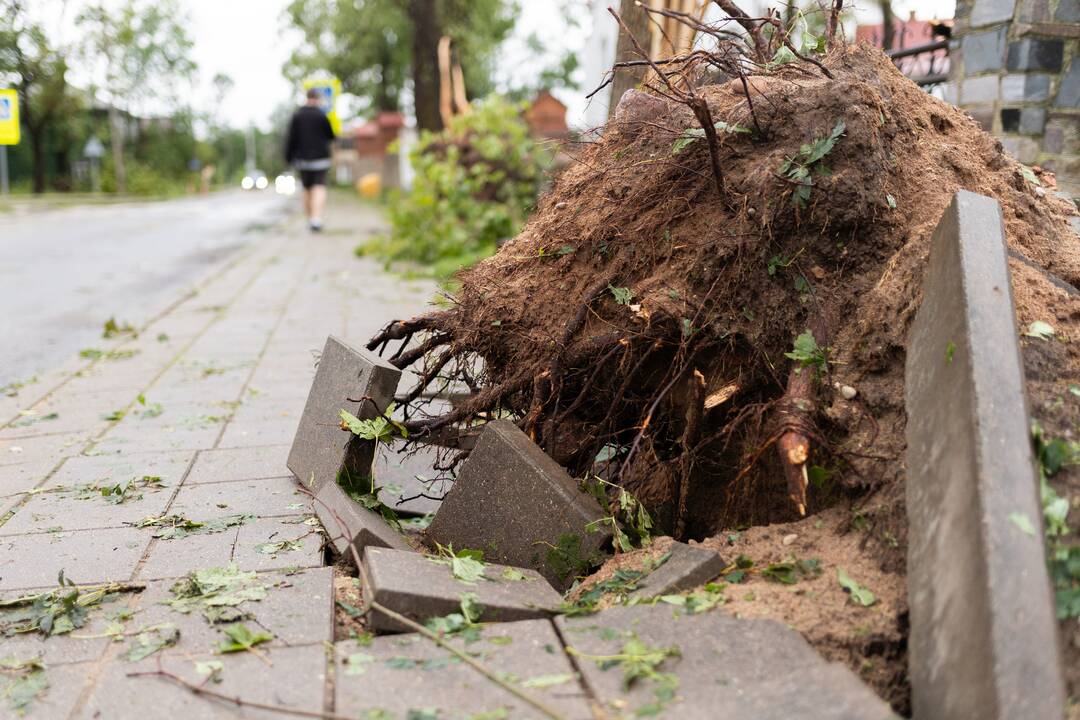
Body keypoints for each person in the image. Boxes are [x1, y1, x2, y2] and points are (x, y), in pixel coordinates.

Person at [285, 88, 336, 231]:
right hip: (321, 158)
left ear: (306, 98)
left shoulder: (297, 116)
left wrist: (288, 157)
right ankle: (316, 219)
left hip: (302, 160)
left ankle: (309, 218)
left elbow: (291, 139)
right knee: (319, 187)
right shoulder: (322, 115)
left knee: (306, 189)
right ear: (318, 99)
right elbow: (331, 136)